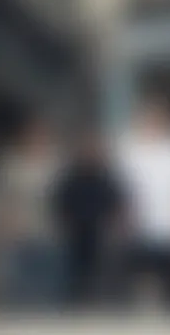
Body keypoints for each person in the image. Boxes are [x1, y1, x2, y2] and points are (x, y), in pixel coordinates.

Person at [115, 98, 170, 313]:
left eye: (160, 121)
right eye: (150, 120)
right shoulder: (129, 150)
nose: (155, 125)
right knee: (138, 275)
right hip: (139, 225)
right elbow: (120, 189)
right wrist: (124, 219)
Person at [51, 131, 125, 307]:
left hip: (99, 229)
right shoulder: (70, 177)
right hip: (75, 229)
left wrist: (113, 224)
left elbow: (115, 202)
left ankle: (101, 297)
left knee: (102, 263)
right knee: (74, 266)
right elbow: (60, 201)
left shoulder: (106, 177)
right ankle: (73, 297)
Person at [0, 118, 61, 308]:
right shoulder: (11, 165)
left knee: (50, 279)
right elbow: (1, 196)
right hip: (20, 229)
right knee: (21, 279)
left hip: (50, 231)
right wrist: (3, 224)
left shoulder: (57, 163)